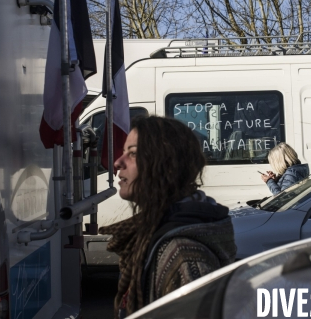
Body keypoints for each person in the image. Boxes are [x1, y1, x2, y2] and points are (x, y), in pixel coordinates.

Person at [99, 116, 237, 318]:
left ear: (168, 165)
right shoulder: (156, 233)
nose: (118, 162)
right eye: (123, 153)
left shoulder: (184, 256)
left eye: (133, 154)